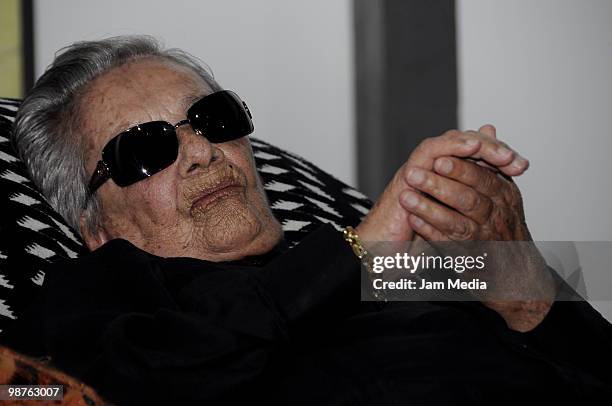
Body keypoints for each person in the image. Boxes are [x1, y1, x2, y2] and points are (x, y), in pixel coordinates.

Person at [4, 36, 611, 405]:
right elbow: (124, 383)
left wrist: (520, 275)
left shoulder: (398, 265)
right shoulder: (99, 300)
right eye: (144, 149)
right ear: (94, 226)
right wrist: (353, 251)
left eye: (212, 118)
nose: (200, 151)